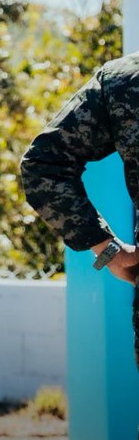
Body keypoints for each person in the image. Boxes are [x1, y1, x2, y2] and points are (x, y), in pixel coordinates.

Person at [20, 53, 139, 357]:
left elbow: (44, 164)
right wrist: (106, 246)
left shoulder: (124, 79)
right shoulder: (123, 79)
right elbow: (44, 164)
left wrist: (106, 249)